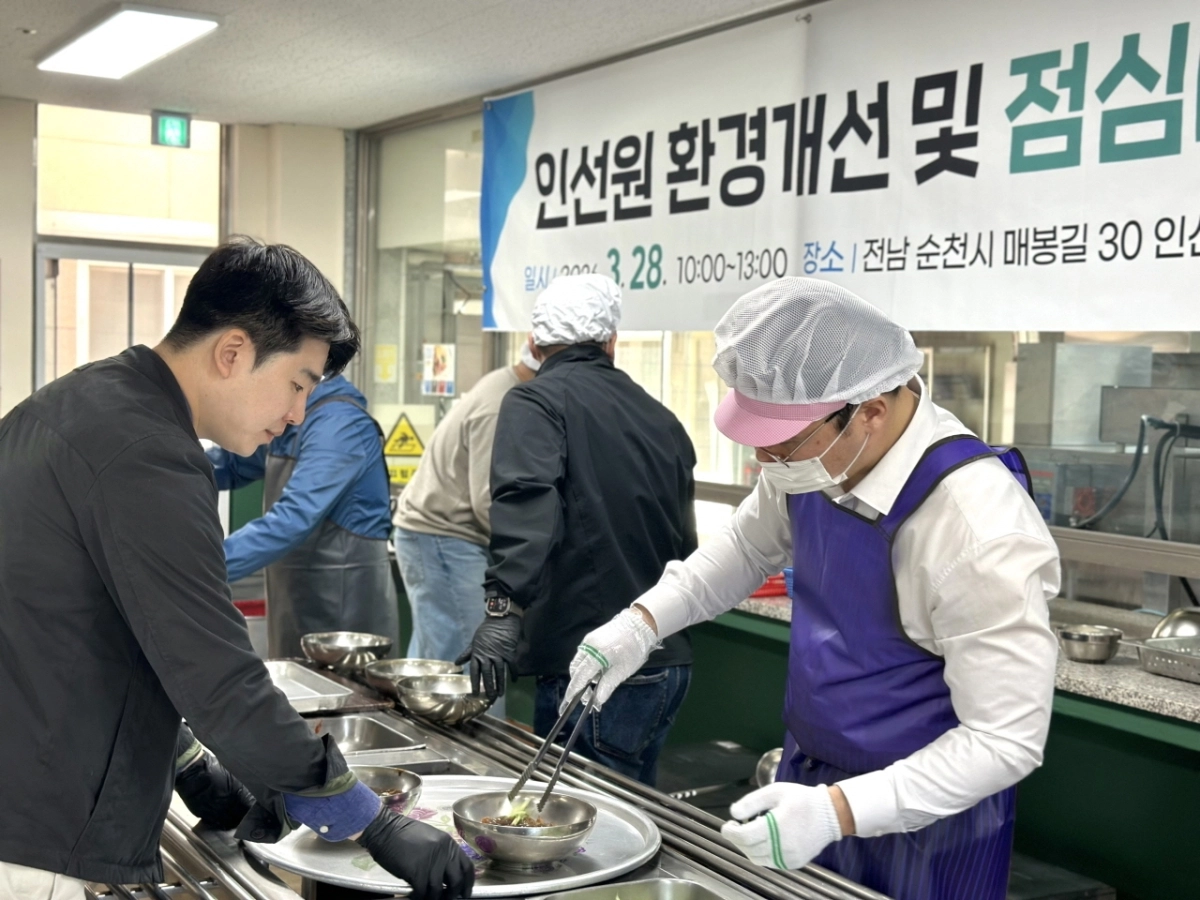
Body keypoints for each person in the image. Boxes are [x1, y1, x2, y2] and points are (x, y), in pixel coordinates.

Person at [0, 237, 473, 900]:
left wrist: (186, 761)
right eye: (297, 384)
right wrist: (369, 821)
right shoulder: (148, 456)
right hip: (38, 833)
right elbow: (219, 678)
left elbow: (85, 635)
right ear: (232, 353)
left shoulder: (72, 407)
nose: (296, 414)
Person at [562, 278, 1060, 900]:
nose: (767, 464)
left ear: (871, 411)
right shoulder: (819, 458)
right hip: (807, 778)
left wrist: (839, 812)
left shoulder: (977, 527)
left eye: (783, 444)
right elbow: (746, 547)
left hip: (929, 817)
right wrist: (641, 623)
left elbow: (1003, 739)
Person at [458, 274, 698, 786]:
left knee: (586, 834)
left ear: (534, 343)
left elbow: (526, 503)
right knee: (632, 824)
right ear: (611, 342)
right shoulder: (664, 420)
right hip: (666, 664)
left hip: (593, 665)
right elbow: (688, 546)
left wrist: (502, 610)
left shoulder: (535, 402)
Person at [207, 371, 399, 659]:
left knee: (349, 698)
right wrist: (160, 466)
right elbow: (232, 465)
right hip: (295, 597)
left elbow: (291, 519)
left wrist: (203, 567)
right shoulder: (291, 418)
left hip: (344, 607)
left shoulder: (338, 424)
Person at [393, 345, 538, 687]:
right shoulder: (502, 403)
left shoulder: (503, 385)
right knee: (475, 670)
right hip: (445, 538)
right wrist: (532, 557)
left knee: (435, 660)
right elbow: (488, 501)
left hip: (431, 535)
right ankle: (469, 741)